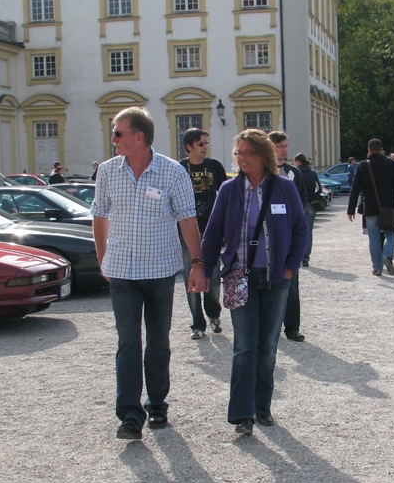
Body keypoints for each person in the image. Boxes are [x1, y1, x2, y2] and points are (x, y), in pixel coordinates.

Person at [91, 107, 205, 441]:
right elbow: (99, 215)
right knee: (128, 341)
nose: (113, 139)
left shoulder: (172, 172)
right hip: (122, 272)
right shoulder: (108, 171)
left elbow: (187, 218)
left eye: (118, 133)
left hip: (159, 270)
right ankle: (129, 415)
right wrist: (102, 258)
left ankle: (157, 403)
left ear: (139, 137)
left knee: (157, 341)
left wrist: (197, 263)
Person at [201, 129, 307, 436]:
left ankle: (262, 408)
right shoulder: (229, 190)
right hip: (240, 277)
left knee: (267, 347)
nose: (242, 158)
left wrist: (290, 268)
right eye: (239, 153)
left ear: (263, 155)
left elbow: (301, 229)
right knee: (244, 347)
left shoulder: (284, 188)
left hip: (276, 280)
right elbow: (212, 233)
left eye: (248, 152)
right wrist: (205, 272)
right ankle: (242, 414)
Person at [178, 128, 227, 339]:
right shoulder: (180, 168)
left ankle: (214, 313)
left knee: (213, 278)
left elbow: (225, 196)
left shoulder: (214, 166)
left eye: (206, 142)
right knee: (191, 278)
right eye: (200, 144)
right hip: (186, 233)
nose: (205, 147)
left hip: (211, 231)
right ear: (189, 147)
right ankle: (197, 324)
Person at [347, 138, 394, 276]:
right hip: (389, 206)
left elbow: (355, 189)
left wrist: (351, 209)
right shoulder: (391, 164)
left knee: (374, 237)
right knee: (391, 233)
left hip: (371, 207)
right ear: (381, 149)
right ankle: (387, 255)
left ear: (369, 150)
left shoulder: (363, 166)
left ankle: (377, 267)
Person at [269, 131, 308, 342]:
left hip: (288, 235)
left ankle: (292, 327)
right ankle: (269, 326)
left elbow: (302, 202)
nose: (284, 150)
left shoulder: (293, 173)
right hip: (267, 235)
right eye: (280, 146)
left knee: (291, 283)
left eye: (286, 146)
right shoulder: (262, 170)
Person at [292, 153, 321, 267]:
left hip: (298, 204)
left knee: (296, 231)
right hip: (311, 205)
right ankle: (306, 257)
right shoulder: (313, 173)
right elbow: (319, 188)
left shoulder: (295, 173)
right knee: (308, 231)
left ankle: (297, 256)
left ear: (298, 161)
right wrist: (313, 196)